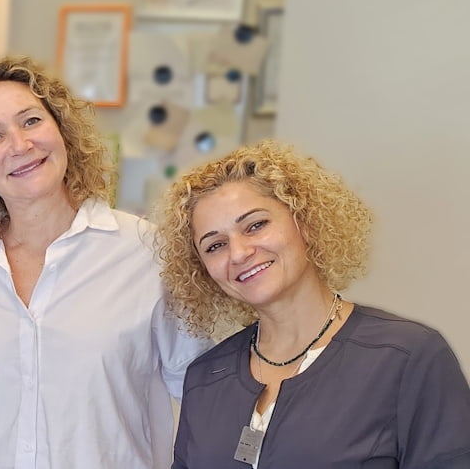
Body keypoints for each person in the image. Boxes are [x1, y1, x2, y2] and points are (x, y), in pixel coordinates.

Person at [0, 55, 212, 468]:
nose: (20, 145)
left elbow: (203, 393)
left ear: (63, 134)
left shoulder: (146, 251)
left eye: (31, 121)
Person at [156, 140, 470, 468]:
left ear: (304, 222)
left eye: (256, 225)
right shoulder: (205, 376)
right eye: (215, 245)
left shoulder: (406, 357)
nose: (238, 253)